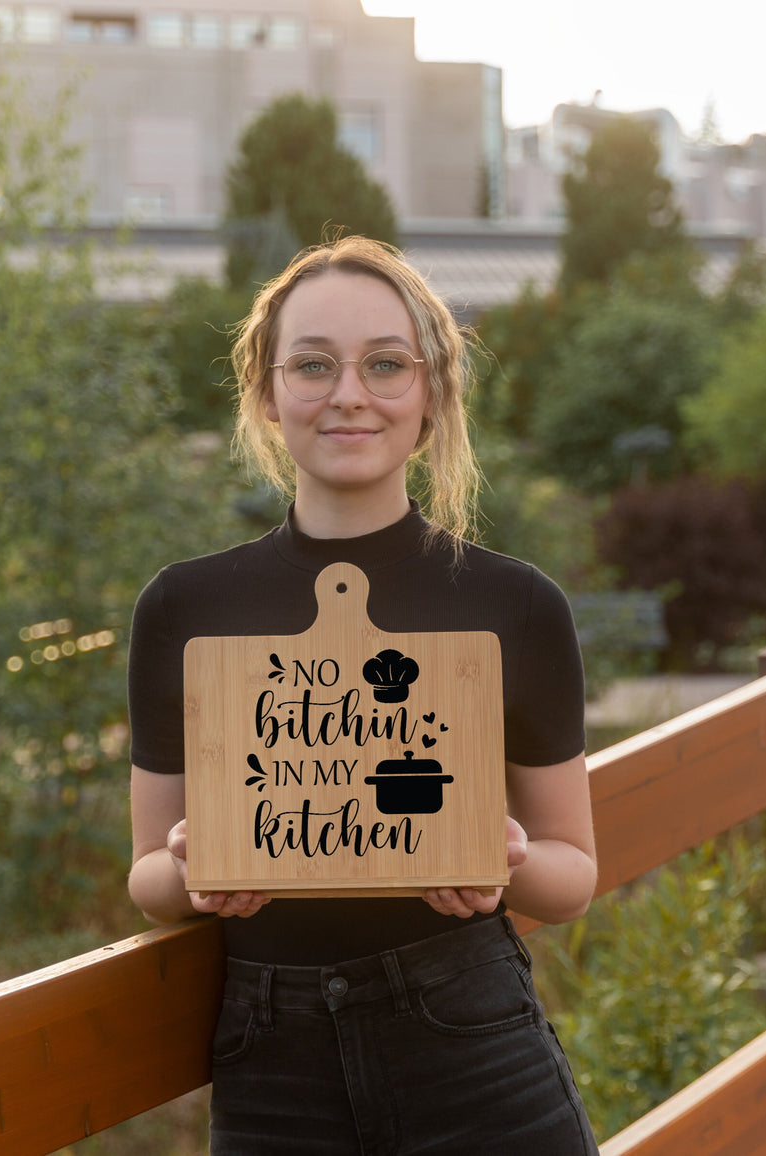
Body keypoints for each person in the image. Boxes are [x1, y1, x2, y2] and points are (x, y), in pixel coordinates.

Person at [127, 236, 599, 1155]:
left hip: (471, 1033)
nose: (349, 393)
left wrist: (500, 860)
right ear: (266, 394)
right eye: (312, 365)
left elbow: (571, 871)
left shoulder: (515, 603)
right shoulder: (184, 606)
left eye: (386, 364)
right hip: (272, 1061)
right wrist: (193, 870)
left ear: (430, 396)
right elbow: (148, 876)